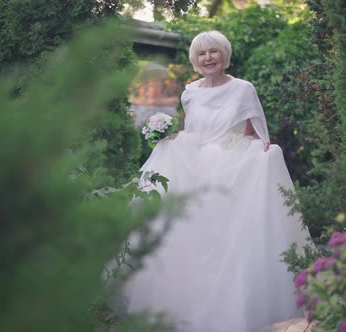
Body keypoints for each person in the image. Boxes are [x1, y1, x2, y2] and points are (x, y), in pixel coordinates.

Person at [121, 30, 310, 332]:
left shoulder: (243, 89)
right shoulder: (190, 92)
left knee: (230, 237)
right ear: (195, 60)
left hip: (233, 166)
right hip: (195, 165)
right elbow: (194, 131)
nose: (207, 58)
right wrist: (174, 137)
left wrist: (262, 150)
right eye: (201, 54)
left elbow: (253, 131)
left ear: (224, 55)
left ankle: (233, 310)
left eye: (214, 52)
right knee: (189, 236)